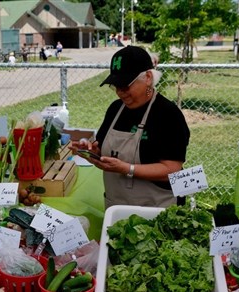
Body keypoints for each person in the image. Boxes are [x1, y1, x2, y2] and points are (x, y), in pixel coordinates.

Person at [70, 46, 190, 208]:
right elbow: (102, 148)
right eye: (115, 86)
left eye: (125, 85)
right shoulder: (115, 110)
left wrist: (127, 169)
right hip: (117, 205)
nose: (120, 92)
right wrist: (93, 152)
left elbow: (172, 170)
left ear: (148, 77)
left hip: (156, 208)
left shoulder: (167, 114)